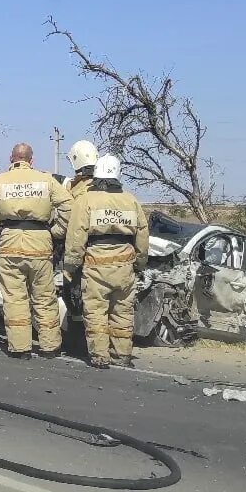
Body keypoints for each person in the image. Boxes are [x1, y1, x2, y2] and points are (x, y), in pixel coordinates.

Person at [0, 143, 71, 360]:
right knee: (44, 297)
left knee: (15, 298)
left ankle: (20, 348)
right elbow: (68, 205)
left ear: (11, 158)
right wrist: (57, 231)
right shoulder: (45, 180)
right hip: (40, 242)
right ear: (31, 160)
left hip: (9, 241)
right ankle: (50, 347)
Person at [64, 153, 149, 369]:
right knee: (122, 312)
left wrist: (71, 266)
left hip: (96, 264)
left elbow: (76, 236)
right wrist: (139, 264)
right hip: (125, 266)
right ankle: (121, 355)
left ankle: (100, 356)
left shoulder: (85, 201)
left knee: (95, 311)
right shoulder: (131, 200)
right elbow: (142, 236)